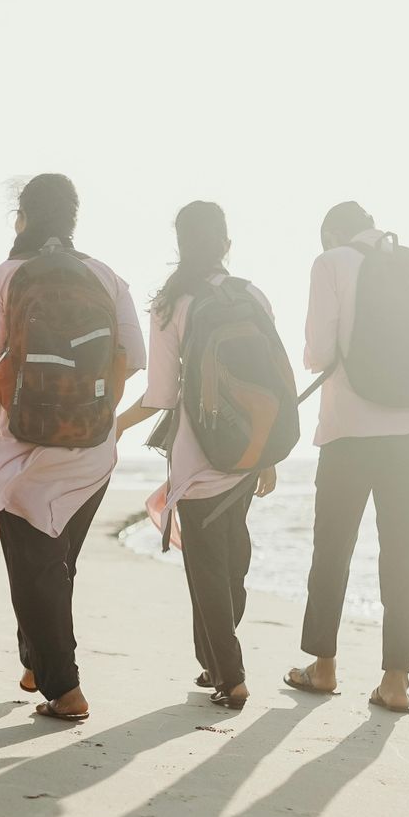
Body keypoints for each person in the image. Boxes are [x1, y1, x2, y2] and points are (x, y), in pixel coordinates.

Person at [0, 174, 146, 721]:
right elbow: (131, 361)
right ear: (72, 220)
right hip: (93, 451)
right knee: (55, 565)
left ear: (22, 219)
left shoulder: (5, 277)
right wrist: (95, 415)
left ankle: (65, 690)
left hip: (26, 444)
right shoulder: (107, 277)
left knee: (33, 569)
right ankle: (37, 663)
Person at [287, 201, 409, 714]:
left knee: (332, 551)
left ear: (332, 234)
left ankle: (323, 668)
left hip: (348, 433)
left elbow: (318, 352)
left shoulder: (331, 262)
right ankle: (396, 681)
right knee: (404, 555)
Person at [115, 201, 277, 710]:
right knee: (233, 559)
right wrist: (267, 453)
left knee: (207, 566)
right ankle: (215, 661)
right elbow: (269, 382)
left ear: (180, 245)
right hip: (248, 451)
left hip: (197, 452)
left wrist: (116, 424)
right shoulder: (251, 295)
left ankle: (230, 674)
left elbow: (161, 394)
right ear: (226, 244)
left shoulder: (172, 304)